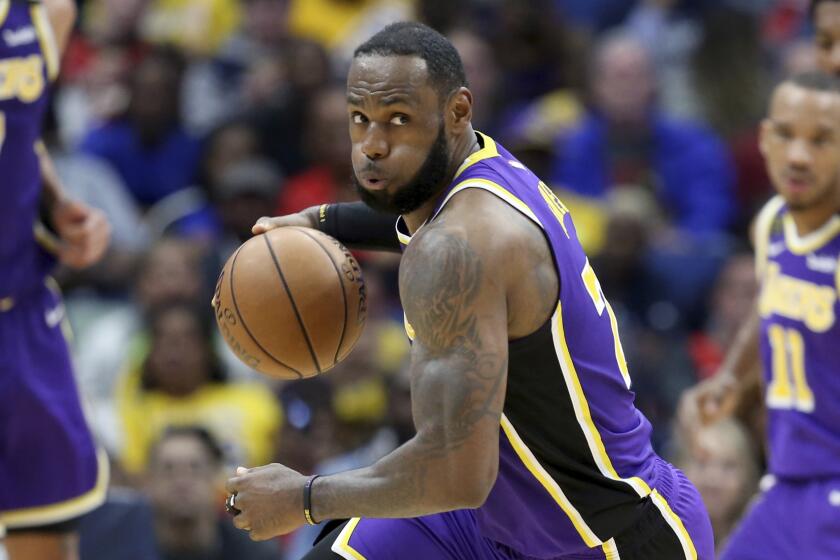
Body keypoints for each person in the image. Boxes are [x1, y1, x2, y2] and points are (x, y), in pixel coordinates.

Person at [227, 22, 714, 559]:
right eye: (359, 119)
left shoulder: (456, 249)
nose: (372, 146)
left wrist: (304, 497)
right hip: (492, 519)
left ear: (457, 112)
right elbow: (413, 219)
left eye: (398, 121)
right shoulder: (480, 165)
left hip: (602, 537)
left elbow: (455, 472)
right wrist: (322, 220)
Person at [681, 71, 840, 560]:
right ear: (765, 140)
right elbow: (770, 305)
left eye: (821, 140)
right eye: (786, 135)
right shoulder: (772, 222)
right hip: (789, 480)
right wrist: (732, 375)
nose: (798, 155)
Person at [0, 0, 111, 558]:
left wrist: (58, 202)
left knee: (43, 529)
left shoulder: (48, 16)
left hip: (17, 313)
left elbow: (21, 134)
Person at [146, 426, 279, 560]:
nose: (182, 481)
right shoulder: (127, 543)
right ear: (149, 480)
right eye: (168, 470)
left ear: (215, 476)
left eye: (195, 468)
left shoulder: (254, 552)